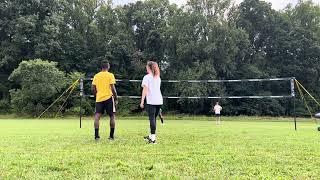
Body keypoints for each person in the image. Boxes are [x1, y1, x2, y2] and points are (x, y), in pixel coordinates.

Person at [92, 61, 118, 140]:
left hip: (99, 98)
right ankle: (111, 136)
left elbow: (93, 88)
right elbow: (113, 88)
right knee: (112, 116)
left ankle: (96, 136)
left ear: (101, 67)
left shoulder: (96, 76)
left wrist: (96, 95)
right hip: (109, 98)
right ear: (108, 67)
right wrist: (116, 98)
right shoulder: (110, 75)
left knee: (97, 116)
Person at [140, 61, 163, 144]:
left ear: (149, 67)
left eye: (147, 67)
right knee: (154, 120)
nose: (146, 68)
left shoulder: (147, 77)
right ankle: (150, 136)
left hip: (151, 101)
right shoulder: (158, 77)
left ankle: (153, 139)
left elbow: (145, 90)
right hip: (159, 101)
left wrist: (142, 101)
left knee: (152, 120)